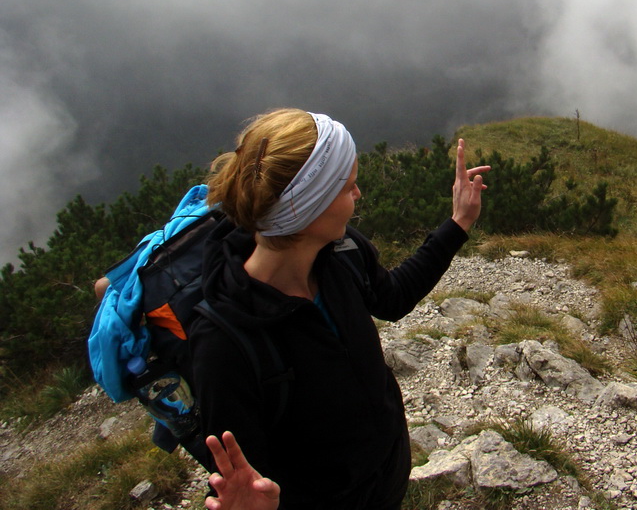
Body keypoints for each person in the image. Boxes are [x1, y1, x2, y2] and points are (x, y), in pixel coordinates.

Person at [192, 108, 489, 510]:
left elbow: (393, 297)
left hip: (386, 477)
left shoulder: (340, 252)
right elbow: (241, 485)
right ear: (305, 207)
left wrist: (458, 222)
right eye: (347, 185)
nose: (358, 194)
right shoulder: (224, 345)